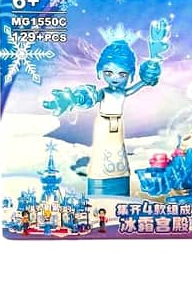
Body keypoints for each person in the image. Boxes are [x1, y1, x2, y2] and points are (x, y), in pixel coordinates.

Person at [43, 20, 170, 196]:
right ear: (100, 71)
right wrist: (72, 98)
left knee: (118, 154)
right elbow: (90, 96)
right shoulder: (104, 92)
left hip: (118, 125)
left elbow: (143, 83)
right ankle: (100, 186)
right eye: (109, 72)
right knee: (102, 154)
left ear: (129, 75)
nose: (115, 78)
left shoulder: (123, 92)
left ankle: (118, 185)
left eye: (122, 74)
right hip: (104, 125)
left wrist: (153, 61)